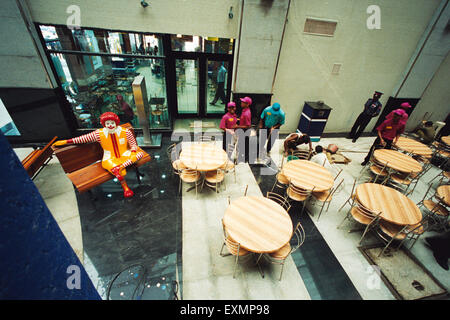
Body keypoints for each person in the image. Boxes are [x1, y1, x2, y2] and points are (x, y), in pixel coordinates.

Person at [52, 112, 146, 198]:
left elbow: (133, 144)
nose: (110, 125)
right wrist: (66, 142)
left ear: (116, 122)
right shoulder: (99, 134)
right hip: (110, 158)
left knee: (139, 154)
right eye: (107, 123)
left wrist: (133, 150)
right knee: (119, 172)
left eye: (112, 123)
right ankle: (125, 186)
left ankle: (120, 167)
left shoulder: (125, 132)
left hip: (125, 154)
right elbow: (82, 139)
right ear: (104, 124)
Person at [235, 97, 253, 162]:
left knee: (245, 145)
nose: (241, 103)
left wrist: (238, 126)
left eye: (243, 102)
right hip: (242, 130)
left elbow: (248, 126)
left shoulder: (246, 113)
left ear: (247, 104)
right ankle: (242, 156)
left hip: (245, 131)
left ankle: (246, 159)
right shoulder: (244, 110)